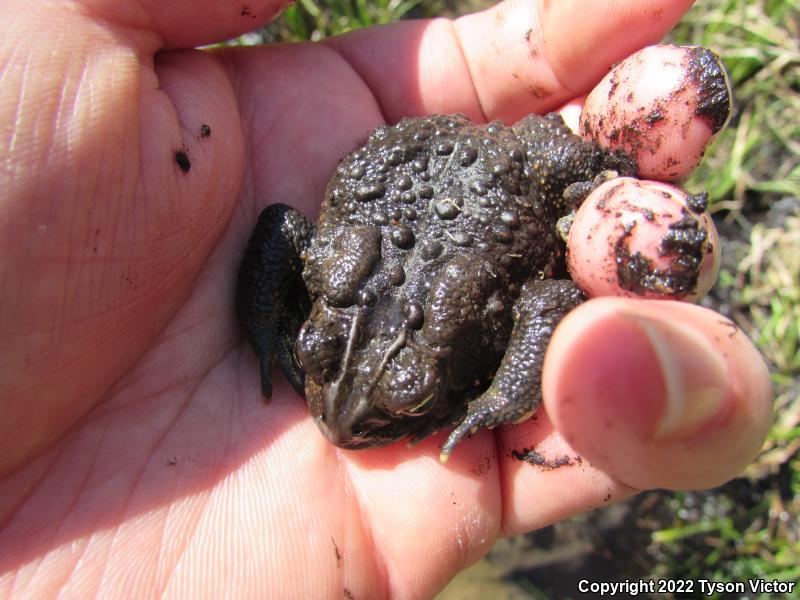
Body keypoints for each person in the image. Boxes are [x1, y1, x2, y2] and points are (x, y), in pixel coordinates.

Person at [0, 0, 772, 596]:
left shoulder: (408, 295)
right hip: (415, 178)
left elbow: (538, 306)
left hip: (512, 190)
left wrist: (502, 397)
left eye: (400, 406)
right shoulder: (333, 279)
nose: (335, 414)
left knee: (609, 230)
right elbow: (281, 227)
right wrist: (272, 328)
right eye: (317, 354)